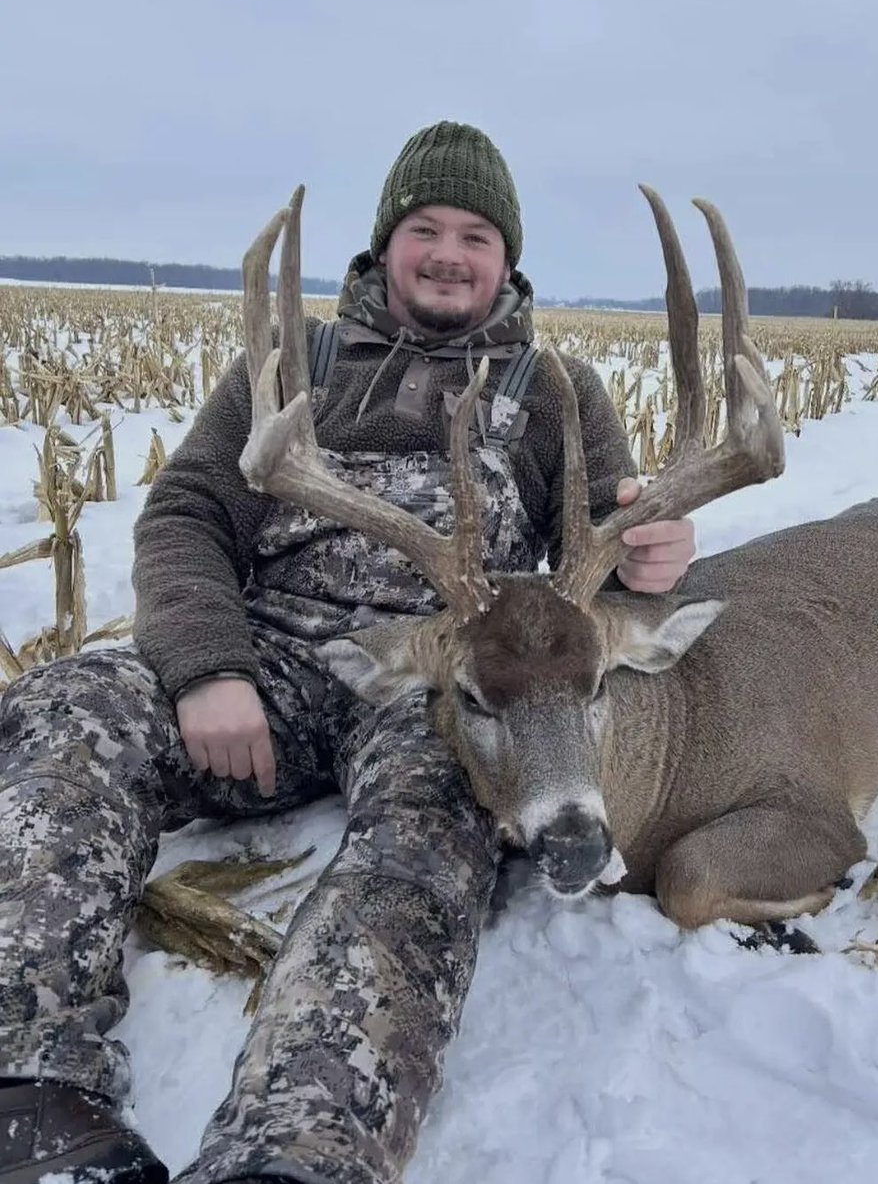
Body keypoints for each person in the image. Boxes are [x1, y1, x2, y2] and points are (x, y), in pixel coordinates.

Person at [0, 120, 695, 1184]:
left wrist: (653, 554)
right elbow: (187, 513)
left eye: (476, 232)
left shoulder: (555, 391)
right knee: (68, 711)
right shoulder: (292, 365)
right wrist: (207, 668)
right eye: (426, 226)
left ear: (505, 257)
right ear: (387, 243)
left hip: (441, 689)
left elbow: (599, 551)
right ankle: (30, 1091)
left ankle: (295, 1152)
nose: (450, 252)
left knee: (427, 845)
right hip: (268, 660)